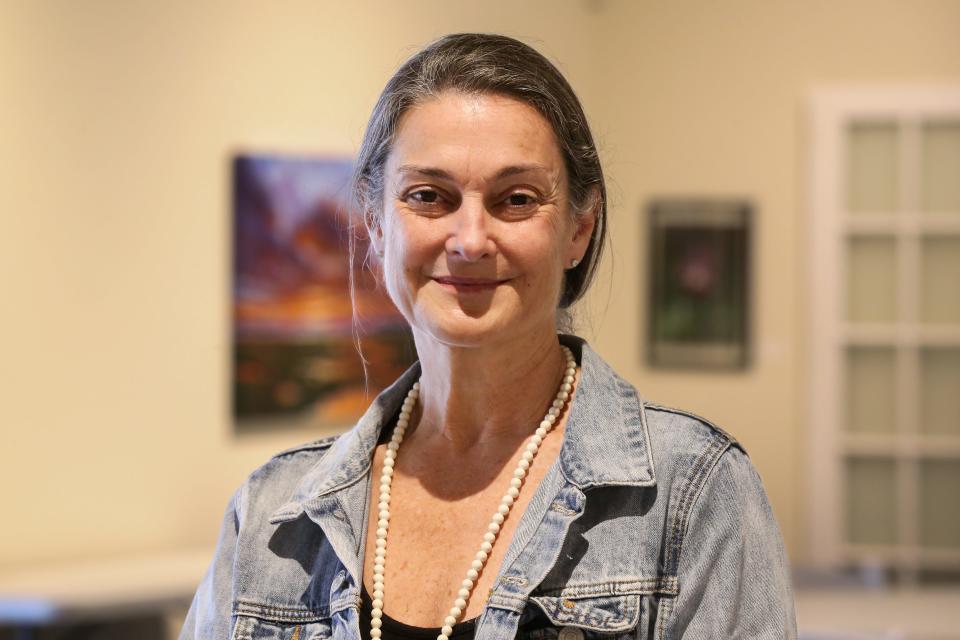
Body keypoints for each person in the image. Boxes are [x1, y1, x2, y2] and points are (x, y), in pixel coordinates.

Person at [181, 33, 796, 640]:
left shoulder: (691, 493)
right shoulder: (272, 517)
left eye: (516, 199)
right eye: (429, 196)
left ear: (580, 229)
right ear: (374, 224)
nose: (471, 239)